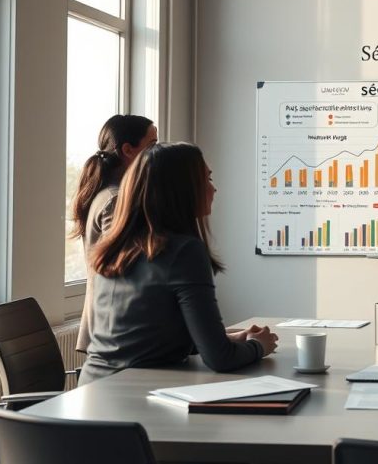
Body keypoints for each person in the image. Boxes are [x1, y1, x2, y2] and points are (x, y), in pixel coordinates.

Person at [79, 142, 277, 384]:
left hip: (93, 388)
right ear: (182, 189)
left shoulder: (115, 247)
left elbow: (150, 336)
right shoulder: (183, 251)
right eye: (207, 179)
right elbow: (220, 359)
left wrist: (232, 338)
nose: (214, 188)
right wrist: (259, 346)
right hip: (134, 393)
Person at [70, 114, 157, 353]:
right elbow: (123, 266)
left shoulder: (110, 195)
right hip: (114, 330)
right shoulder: (116, 199)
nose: (156, 152)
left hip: (113, 327)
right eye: (152, 145)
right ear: (128, 150)